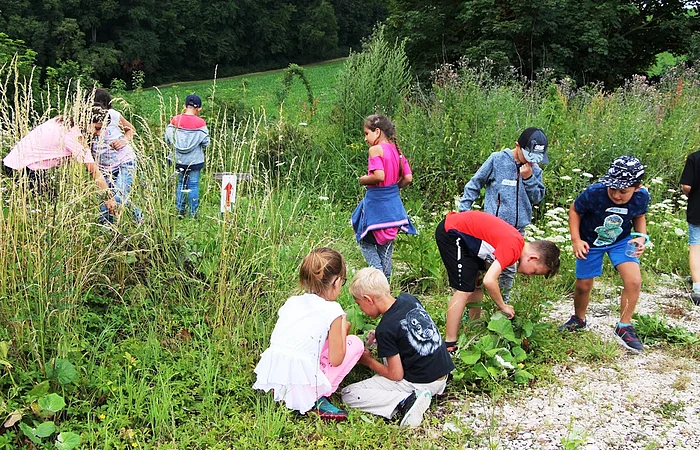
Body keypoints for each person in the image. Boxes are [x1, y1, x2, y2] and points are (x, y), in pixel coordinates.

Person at [253, 248, 364, 421]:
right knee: (355, 343)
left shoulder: (292, 302)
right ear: (336, 281)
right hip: (303, 381)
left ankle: (289, 394)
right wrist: (343, 328)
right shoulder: (333, 310)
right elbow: (336, 359)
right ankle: (316, 396)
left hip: (277, 378)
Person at [341, 267, 454, 427]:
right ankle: (423, 393)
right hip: (442, 374)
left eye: (359, 305)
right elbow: (407, 330)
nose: (361, 310)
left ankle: (405, 401)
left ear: (368, 299)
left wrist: (368, 361)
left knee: (349, 394)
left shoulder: (386, 328)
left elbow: (395, 375)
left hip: (422, 382)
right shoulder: (409, 299)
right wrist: (381, 338)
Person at [559, 155, 650, 353]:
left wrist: (641, 238)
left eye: (623, 191)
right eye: (613, 189)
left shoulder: (642, 196)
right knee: (583, 285)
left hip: (621, 241)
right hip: (590, 241)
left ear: (636, 187)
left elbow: (639, 216)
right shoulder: (595, 192)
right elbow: (574, 210)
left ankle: (624, 326)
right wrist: (576, 239)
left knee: (634, 280)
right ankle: (578, 319)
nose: (617, 195)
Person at [435, 210, 560, 353]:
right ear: (533, 258)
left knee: (476, 284)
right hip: (452, 232)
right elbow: (490, 280)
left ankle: (473, 327)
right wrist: (502, 306)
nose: (530, 275)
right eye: (535, 272)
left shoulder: (516, 242)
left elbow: (486, 275)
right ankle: (449, 343)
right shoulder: (513, 248)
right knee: (464, 289)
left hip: (467, 240)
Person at [458, 127, 548, 302]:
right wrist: (464, 211)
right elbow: (475, 183)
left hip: (517, 230)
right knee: (480, 268)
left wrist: (529, 178)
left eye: (536, 159)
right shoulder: (497, 160)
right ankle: (473, 309)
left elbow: (537, 197)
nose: (532, 161)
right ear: (517, 146)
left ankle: (501, 307)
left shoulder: (535, 170)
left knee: (508, 269)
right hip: (491, 229)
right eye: (528, 156)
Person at [2, 107, 117, 215]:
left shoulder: (61, 120)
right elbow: (95, 172)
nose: (99, 133)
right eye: (97, 128)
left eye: (102, 129)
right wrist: (109, 198)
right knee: (50, 206)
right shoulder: (74, 137)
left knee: (38, 200)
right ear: (86, 121)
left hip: (12, 162)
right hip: (22, 167)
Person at [352, 114, 417, 280]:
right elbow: (408, 178)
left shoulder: (375, 149)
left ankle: (377, 279)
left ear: (377, 131)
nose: (365, 139)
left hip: (376, 208)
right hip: (393, 210)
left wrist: (363, 180)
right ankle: (385, 286)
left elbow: (379, 176)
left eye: (367, 133)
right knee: (385, 247)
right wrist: (393, 189)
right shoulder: (397, 151)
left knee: (365, 242)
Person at [91, 87, 142, 223]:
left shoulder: (113, 115)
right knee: (108, 199)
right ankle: (111, 228)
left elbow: (131, 129)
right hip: (103, 167)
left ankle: (137, 219)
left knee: (118, 196)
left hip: (124, 161)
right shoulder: (86, 120)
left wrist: (123, 141)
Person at [164, 94, 209, 218]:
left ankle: (180, 211)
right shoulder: (200, 123)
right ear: (199, 108)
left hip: (179, 159)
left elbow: (167, 139)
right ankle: (193, 213)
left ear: (184, 106)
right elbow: (206, 143)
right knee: (193, 185)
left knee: (181, 184)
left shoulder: (175, 120)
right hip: (195, 160)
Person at [680, 150, 700, 305]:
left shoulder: (695, 157)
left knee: (696, 245)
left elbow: (686, 186)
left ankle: (698, 287)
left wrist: (692, 195)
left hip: (697, 208)